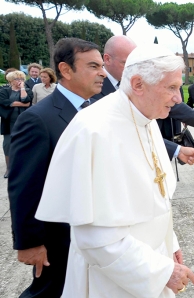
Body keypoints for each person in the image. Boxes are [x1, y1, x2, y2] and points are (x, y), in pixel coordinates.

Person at [35, 44, 194, 297]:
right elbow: (94, 238)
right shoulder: (94, 130)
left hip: (153, 260)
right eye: (172, 88)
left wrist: (170, 243)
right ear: (138, 84)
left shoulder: (146, 117)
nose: (179, 98)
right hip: (113, 278)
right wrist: (160, 271)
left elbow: (157, 198)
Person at [8, 38, 104, 298]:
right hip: (59, 239)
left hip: (92, 232)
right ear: (66, 69)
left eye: (102, 66)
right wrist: (30, 243)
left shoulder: (96, 110)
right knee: (50, 291)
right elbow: (25, 186)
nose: (103, 73)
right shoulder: (38, 119)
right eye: (94, 66)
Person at [92, 35, 194, 160]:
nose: (133, 69)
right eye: (127, 63)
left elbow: (148, 134)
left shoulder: (149, 107)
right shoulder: (92, 91)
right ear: (107, 59)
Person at [0, 70, 33, 178]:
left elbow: (27, 101)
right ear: (11, 80)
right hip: (9, 122)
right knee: (8, 145)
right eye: (17, 79)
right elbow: (4, 102)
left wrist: (22, 88)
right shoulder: (4, 90)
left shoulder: (27, 90)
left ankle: (24, 168)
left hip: (23, 122)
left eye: (22, 79)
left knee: (24, 144)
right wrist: (21, 104)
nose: (20, 81)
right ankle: (9, 169)